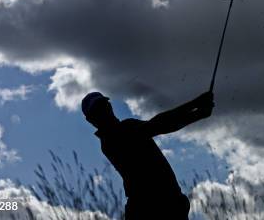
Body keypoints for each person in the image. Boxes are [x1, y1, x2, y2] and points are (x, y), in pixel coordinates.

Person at [81, 90, 215, 219]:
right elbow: (158, 124)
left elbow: (161, 125)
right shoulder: (114, 138)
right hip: (152, 208)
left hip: (163, 205)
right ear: (91, 120)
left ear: (109, 105)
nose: (104, 110)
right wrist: (195, 106)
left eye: (104, 105)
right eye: (98, 110)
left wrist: (198, 113)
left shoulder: (124, 128)